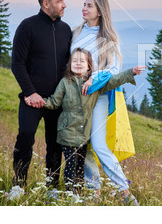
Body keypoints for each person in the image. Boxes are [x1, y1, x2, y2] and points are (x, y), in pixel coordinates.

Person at [40, 47, 145, 194]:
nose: (78, 63)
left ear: (89, 66)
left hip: (84, 134)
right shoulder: (65, 82)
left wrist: (130, 72)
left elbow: (113, 81)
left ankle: (77, 192)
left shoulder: (94, 86)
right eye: (74, 60)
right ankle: (70, 193)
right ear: (69, 64)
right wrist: (40, 102)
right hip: (68, 132)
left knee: (80, 166)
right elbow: (54, 101)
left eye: (82, 61)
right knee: (71, 164)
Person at [71, 0, 137, 204]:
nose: (84, 8)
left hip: (97, 95)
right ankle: (93, 191)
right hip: (75, 96)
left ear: (99, 11)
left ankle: (125, 192)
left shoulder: (108, 39)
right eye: (83, 4)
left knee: (99, 145)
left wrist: (93, 79)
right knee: (83, 143)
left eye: (89, 5)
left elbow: (114, 69)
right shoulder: (76, 33)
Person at [10, 0, 72, 194]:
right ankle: (18, 186)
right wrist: (30, 92)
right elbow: (17, 63)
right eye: (59, 1)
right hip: (31, 99)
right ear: (46, 4)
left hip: (57, 101)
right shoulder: (27, 26)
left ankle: (52, 188)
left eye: (64, 0)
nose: (65, 4)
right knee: (25, 138)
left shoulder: (65, 30)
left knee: (55, 145)